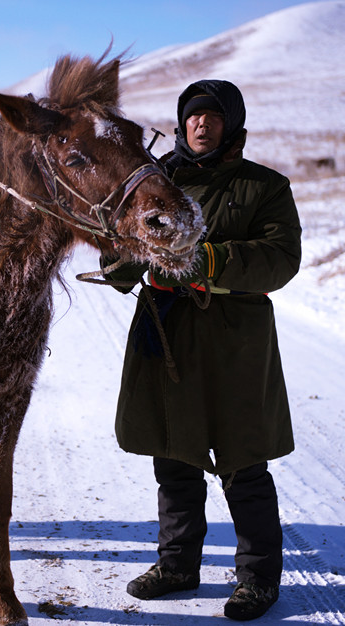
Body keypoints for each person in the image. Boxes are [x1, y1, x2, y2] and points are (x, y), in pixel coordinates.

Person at [103, 79, 301, 621]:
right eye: (192, 116)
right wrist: (122, 259)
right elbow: (124, 250)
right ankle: (177, 566)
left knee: (243, 461)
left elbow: (281, 258)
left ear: (232, 125)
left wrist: (205, 260)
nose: (201, 124)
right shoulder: (155, 182)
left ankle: (258, 579)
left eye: (213, 116)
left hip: (236, 339)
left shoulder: (264, 186)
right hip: (166, 333)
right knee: (174, 455)